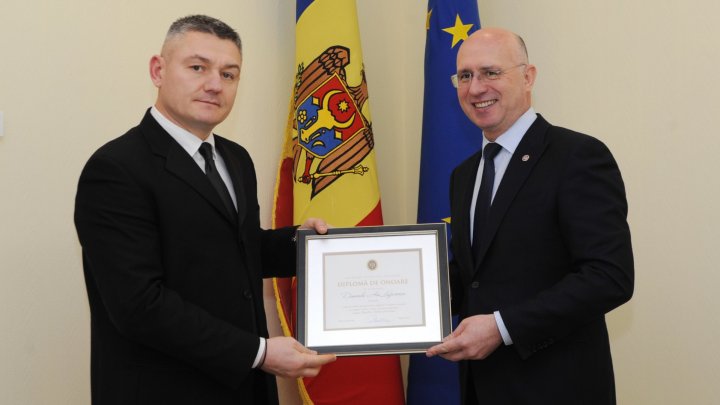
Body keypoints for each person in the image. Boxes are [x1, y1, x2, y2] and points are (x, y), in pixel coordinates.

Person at [74, 15, 335, 405]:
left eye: (229, 75)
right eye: (198, 67)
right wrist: (260, 352)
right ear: (158, 70)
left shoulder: (235, 158)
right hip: (165, 391)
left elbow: (233, 249)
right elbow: (139, 305)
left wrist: (303, 244)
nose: (215, 84)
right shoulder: (115, 169)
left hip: (245, 390)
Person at [426, 28, 634, 404]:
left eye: (490, 72)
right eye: (466, 76)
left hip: (556, 387)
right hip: (481, 387)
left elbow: (609, 277)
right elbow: (475, 279)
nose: (475, 88)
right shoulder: (465, 174)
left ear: (528, 76)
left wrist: (502, 328)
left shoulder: (577, 156)